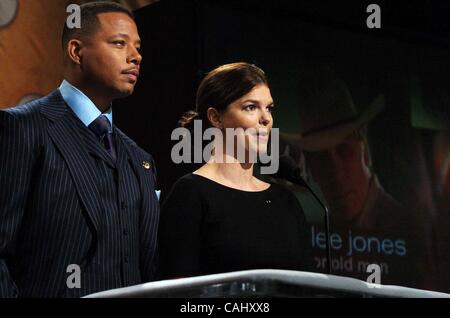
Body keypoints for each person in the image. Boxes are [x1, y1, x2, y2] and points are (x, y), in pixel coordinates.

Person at [0, 2, 159, 298]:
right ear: (76, 51)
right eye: (119, 43)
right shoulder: (22, 128)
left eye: (137, 47)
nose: (135, 56)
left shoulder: (139, 158)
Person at [158, 62, 311, 279]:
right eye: (251, 107)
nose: (266, 119)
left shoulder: (285, 201)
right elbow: (175, 287)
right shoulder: (191, 194)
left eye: (269, 108)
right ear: (216, 117)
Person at [280, 70, 427, 287]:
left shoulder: (412, 231)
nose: (336, 172)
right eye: (321, 159)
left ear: (364, 150)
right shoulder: (312, 237)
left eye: (344, 151)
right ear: (311, 169)